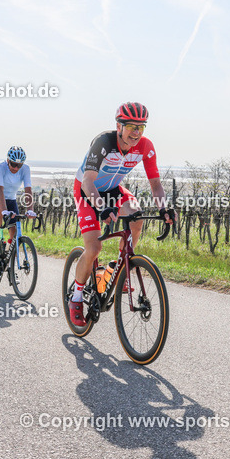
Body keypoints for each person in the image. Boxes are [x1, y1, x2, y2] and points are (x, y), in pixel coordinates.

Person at [68, 102, 175, 327]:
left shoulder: (145, 147)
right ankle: (76, 297)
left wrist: (164, 208)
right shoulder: (104, 142)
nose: (136, 133)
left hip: (113, 190)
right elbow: (88, 182)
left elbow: (155, 184)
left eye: (141, 127)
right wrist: (100, 206)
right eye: (131, 127)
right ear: (119, 125)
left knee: (136, 216)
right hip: (88, 192)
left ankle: (120, 266)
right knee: (94, 248)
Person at [0, 146, 36, 257]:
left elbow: (28, 190)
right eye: (13, 164)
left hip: (10, 199)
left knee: (15, 234)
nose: (16, 168)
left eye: (19, 165)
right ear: (8, 160)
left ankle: (9, 259)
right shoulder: (0, 167)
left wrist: (30, 210)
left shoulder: (26, 169)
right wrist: (4, 211)